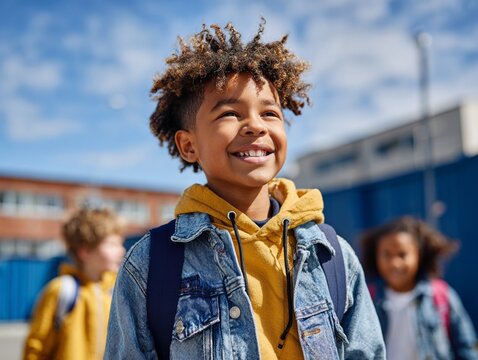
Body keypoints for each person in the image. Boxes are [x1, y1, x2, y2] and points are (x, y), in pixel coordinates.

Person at [105, 19, 385, 359]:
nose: (255, 125)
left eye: (270, 112)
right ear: (188, 145)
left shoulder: (332, 256)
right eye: (230, 114)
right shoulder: (152, 264)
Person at [360, 216, 478, 360]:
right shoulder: (366, 299)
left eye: (402, 255)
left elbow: (466, 347)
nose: (395, 263)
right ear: (375, 257)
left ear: (419, 256)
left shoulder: (441, 296)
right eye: (386, 255)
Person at [22, 207, 125, 360]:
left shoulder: (119, 292)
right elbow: (36, 349)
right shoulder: (61, 290)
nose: (122, 250)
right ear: (85, 251)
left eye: (120, 243)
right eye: (112, 244)